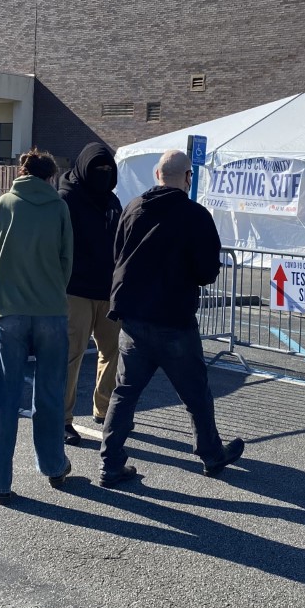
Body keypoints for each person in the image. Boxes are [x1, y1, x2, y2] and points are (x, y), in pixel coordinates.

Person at [99, 149, 244, 488]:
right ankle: (210, 454)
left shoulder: (133, 208)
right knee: (195, 392)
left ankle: (110, 463)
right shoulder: (194, 215)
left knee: (124, 393)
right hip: (174, 320)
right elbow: (207, 271)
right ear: (188, 178)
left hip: (134, 318)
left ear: (157, 175)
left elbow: (117, 253)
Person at [0, 148, 74, 505]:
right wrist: (52, 289)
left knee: (5, 398)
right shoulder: (58, 207)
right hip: (50, 309)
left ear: (22, 171)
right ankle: (53, 465)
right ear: (50, 176)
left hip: (10, 310)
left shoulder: (5, 203)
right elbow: (67, 259)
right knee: (50, 393)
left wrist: (4, 288)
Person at [58, 142, 123, 447]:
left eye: (108, 170)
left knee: (112, 352)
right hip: (76, 290)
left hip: (107, 289)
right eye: (98, 169)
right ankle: (63, 420)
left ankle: (104, 408)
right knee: (71, 355)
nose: (104, 174)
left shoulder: (112, 200)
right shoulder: (67, 198)